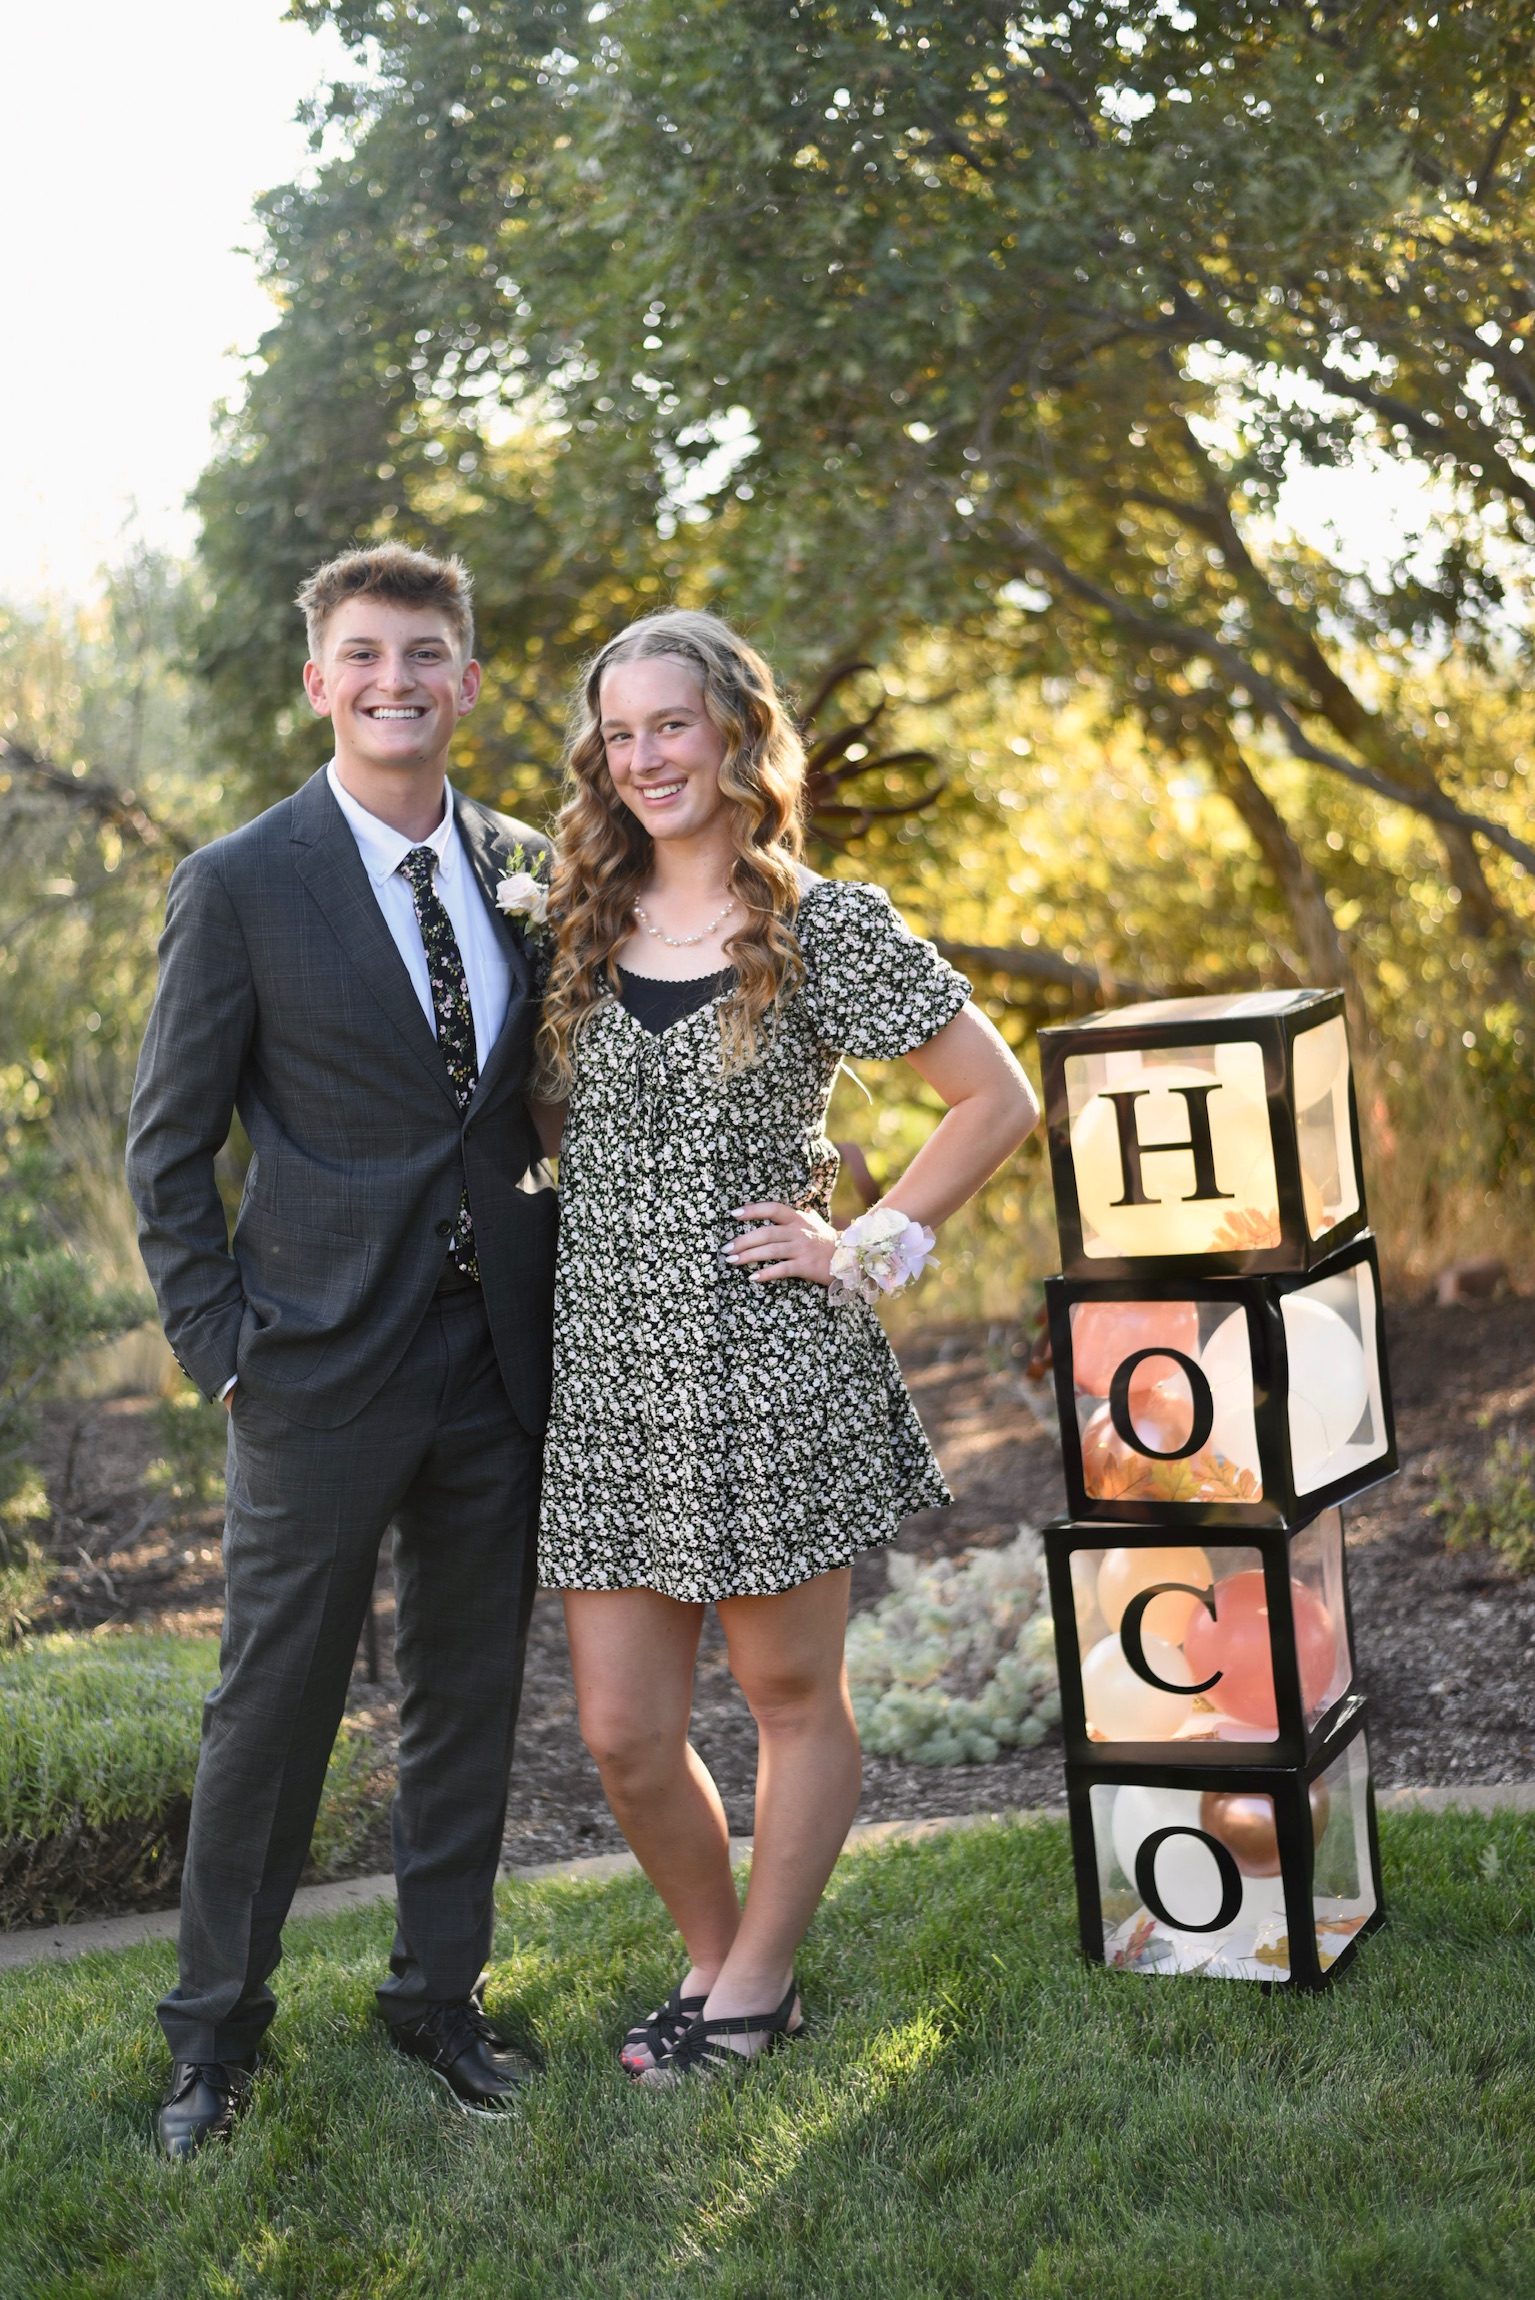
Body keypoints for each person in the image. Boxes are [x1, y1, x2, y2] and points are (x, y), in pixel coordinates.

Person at [533, 609, 1039, 2082]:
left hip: (768, 1369)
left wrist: (862, 1248)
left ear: (734, 736)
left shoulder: (825, 925)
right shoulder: (571, 924)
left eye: (671, 726)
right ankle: (713, 1957)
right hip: (613, 1379)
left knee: (792, 1699)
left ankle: (753, 1988)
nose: (646, 759)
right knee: (623, 1729)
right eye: (620, 735)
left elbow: (995, 1100)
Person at [126, 544, 557, 2156]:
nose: (396, 680)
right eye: (365, 654)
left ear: (466, 681)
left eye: (425, 652)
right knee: (273, 1709)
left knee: (467, 1692)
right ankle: (213, 2039)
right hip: (310, 1367)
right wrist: (223, 1350)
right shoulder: (240, 882)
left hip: (496, 1356)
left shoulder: (529, 866)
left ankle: (437, 1999)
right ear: (319, 682)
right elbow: (168, 1150)